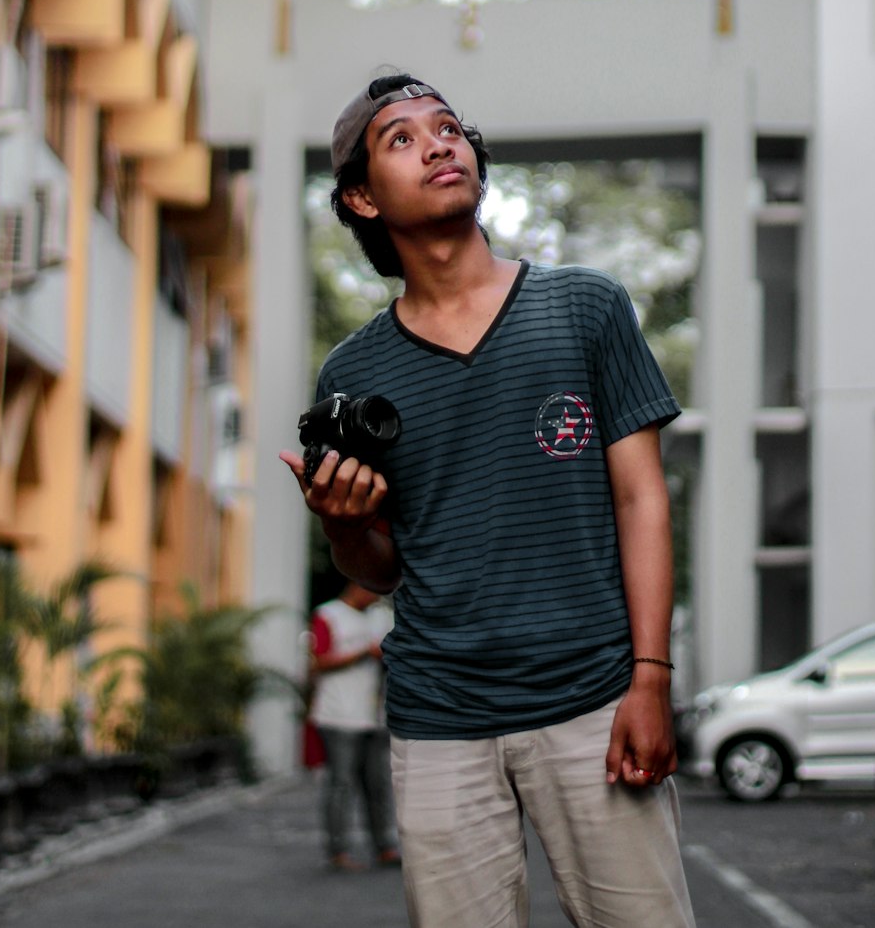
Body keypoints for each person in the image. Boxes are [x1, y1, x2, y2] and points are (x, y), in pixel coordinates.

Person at [281, 73, 696, 928]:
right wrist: (342, 524)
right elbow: (379, 569)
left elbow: (642, 501)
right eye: (402, 138)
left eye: (448, 128)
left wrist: (650, 678)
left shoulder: (586, 309)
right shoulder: (353, 378)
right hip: (439, 720)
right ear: (361, 197)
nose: (439, 143)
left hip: (595, 699)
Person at [308, 580, 400, 871]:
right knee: (341, 783)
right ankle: (338, 851)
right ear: (355, 585)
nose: (376, 595)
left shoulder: (381, 616)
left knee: (378, 783)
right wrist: (363, 653)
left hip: (374, 715)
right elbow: (318, 661)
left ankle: (384, 846)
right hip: (338, 714)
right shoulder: (328, 614)